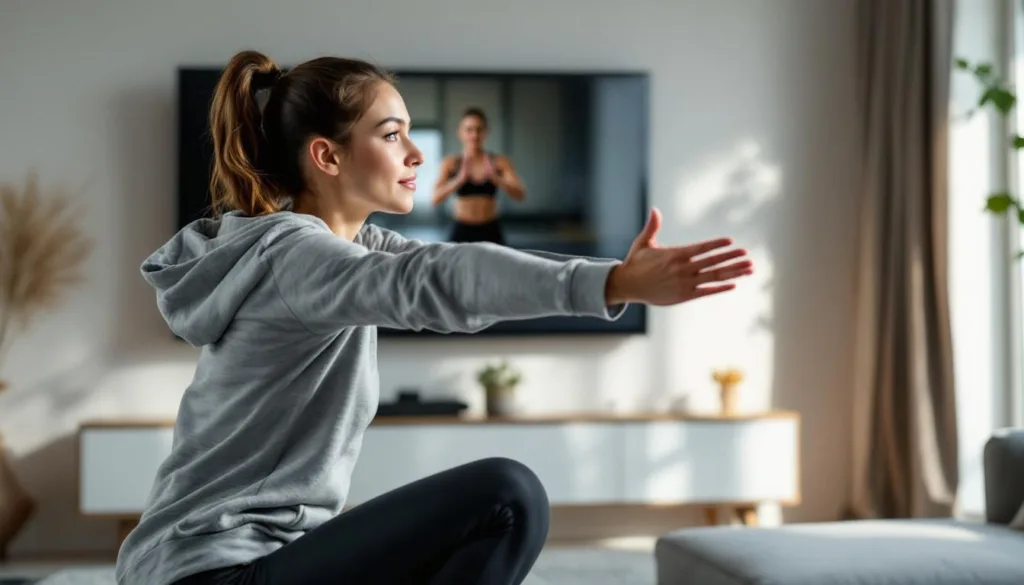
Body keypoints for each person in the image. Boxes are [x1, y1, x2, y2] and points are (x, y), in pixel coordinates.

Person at [115, 50, 754, 585]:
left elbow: (450, 268)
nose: (416, 154)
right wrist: (613, 281)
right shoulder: (292, 254)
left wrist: (609, 274)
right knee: (507, 495)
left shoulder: (347, 248)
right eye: (392, 135)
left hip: (250, 563)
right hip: (210, 573)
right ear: (327, 157)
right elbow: (435, 285)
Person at [431, 107, 523, 244]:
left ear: (486, 132)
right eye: (469, 130)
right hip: (462, 230)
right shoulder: (451, 163)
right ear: (460, 133)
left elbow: (520, 194)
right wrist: (458, 180)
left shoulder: (499, 162)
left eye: (479, 129)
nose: (474, 135)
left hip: (490, 229)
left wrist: (497, 179)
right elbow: (435, 199)